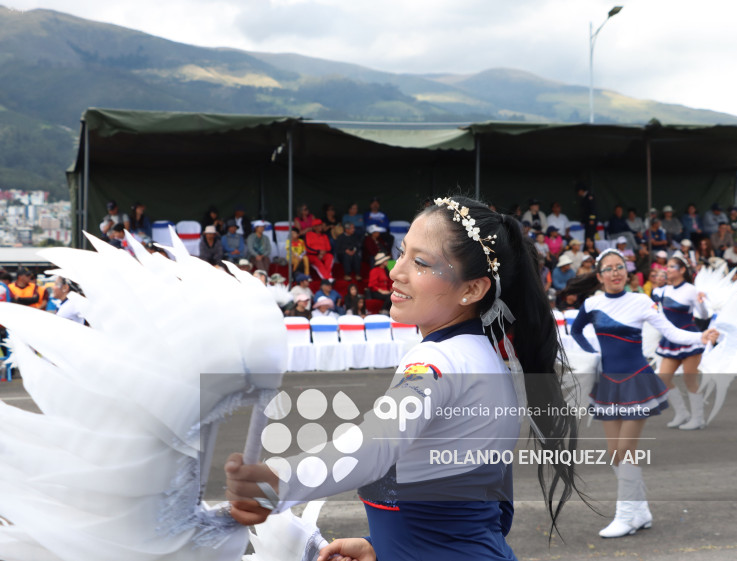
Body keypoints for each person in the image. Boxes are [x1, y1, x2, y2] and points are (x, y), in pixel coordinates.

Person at [224, 195, 578, 560]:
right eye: (402, 252)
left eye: (421, 262)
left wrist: (280, 481)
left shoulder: (437, 361)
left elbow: (375, 444)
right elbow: (485, 515)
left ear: (473, 289)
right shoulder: (493, 360)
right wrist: (382, 548)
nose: (396, 270)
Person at [569, 249, 718, 538]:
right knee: (616, 454)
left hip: (636, 382)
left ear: (627, 273)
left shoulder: (640, 301)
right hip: (607, 383)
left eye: (620, 267)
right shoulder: (591, 303)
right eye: (609, 269)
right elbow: (576, 332)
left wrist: (700, 336)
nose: (615, 272)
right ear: (600, 277)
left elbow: (671, 332)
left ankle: (625, 516)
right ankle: (640, 511)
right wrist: (592, 356)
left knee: (624, 450)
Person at [652, 255, 711, 430]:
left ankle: (698, 418)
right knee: (663, 377)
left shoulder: (691, 290)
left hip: (689, 337)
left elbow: (705, 315)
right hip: (671, 339)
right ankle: (682, 413)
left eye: (671, 266)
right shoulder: (664, 290)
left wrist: (702, 303)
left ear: (682, 270)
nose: (667, 269)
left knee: (689, 378)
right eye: (667, 267)